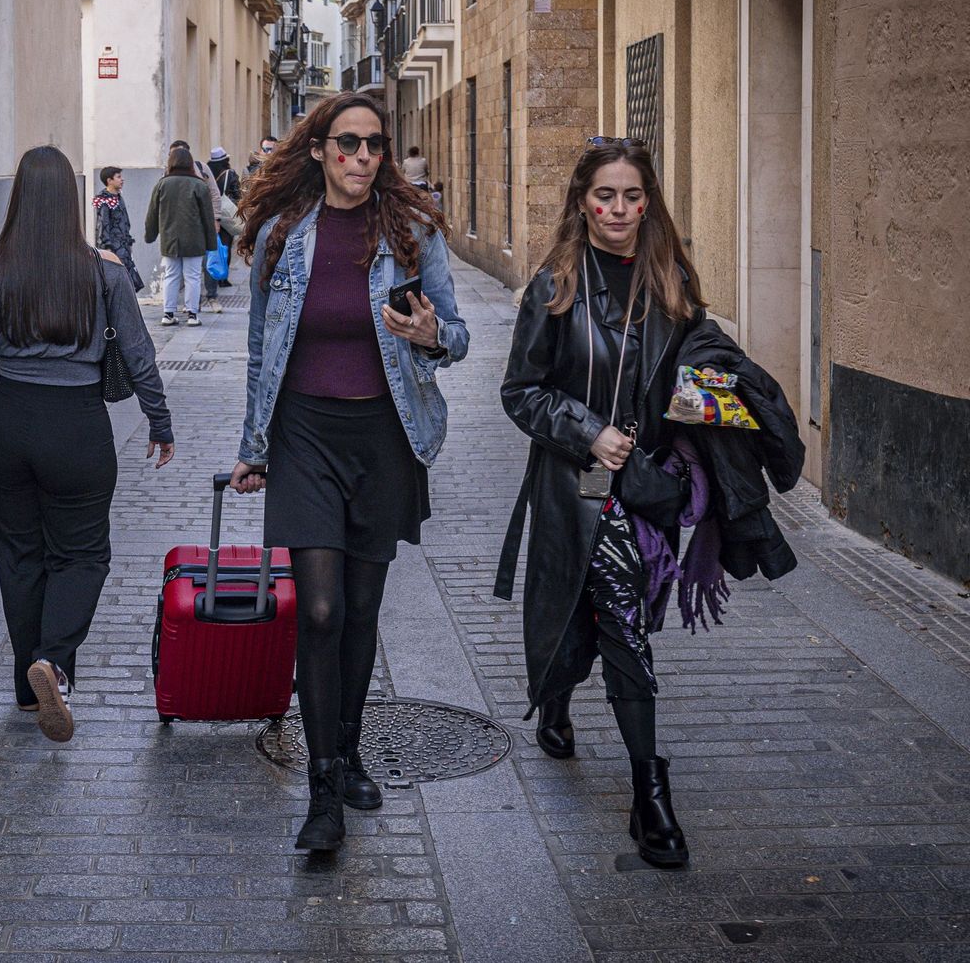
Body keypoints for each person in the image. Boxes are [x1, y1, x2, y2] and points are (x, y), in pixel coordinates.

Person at [231, 92, 470, 851]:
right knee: (323, 608)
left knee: (362, 611)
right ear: (318, 150)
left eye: (373, 145)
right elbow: (259, 351)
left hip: (384, 438)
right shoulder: (280, 236)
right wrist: (253, 445)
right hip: (304, 435)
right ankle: (323, 784)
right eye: (347, 144)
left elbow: (457, 336)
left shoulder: (413, 232)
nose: (362, 158)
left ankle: (350, 745)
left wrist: (431, 333)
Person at [494, 137, 707, 869]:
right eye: (605, 196)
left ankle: (558, 689)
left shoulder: (673, 281)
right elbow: (520, 392)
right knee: (624, 628)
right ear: (583, 202)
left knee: (615, 619)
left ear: (648, 203)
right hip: (578, 490)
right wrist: (589, 433)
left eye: (632, 196)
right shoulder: (557, 284)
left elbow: (693, 378)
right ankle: (651, 798)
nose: (619, 209)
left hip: (646, 490)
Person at [0, 145, 175, 743]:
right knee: (82, 555)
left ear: (18, 199)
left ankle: (31, 690)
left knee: (19, 553)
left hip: (7, 422)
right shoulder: (103, 273)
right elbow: (138, 352)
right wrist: (159, 421)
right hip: (76, 427)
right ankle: (53, 659)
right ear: (73, 201)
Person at [145, 146, 218, 327]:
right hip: (195, 238)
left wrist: (150, 235)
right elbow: (207, 217)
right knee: (193, 276)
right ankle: (192, 314)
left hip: (170, 238)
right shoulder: (199, 185)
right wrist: (211, 242)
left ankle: (168, 314)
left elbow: (152, 213)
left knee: (171, 275)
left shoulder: (162, 184)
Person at [171, 139, 225, 313]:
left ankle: (212, 297)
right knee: (188, 268)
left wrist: (216, 219)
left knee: (210, 261)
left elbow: (215, 194)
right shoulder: (168, 172)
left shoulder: (201, 168)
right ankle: (193, 302)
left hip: (204, 224)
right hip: (181, 227)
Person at [93, 166, 144, 291]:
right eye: (118, 177)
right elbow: (103, 224)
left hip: (123, 246)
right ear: (109, 180)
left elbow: (124, 223)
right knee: (117, 280)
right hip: (114, 247)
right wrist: (107, 247)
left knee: (128, 280)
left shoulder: (119, 197)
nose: (122, 180)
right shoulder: (104, 200)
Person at [208, 147, 243, 289]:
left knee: (213, 247)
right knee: (225, 246)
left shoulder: (208, 173)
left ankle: (212, 276)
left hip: (210, 214)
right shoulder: (230, 173)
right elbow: (237, 194)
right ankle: (223, 278)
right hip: (225, 216)